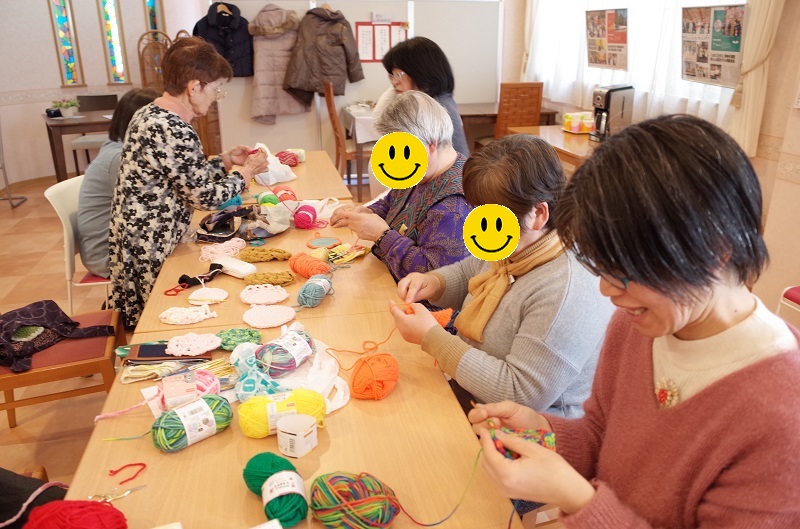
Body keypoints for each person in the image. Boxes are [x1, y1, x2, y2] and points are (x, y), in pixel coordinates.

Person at [468, 115, 800, 527]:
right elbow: (602, 436)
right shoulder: (636, 324)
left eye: (625, 271)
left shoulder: (781, 412)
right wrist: (542, 431)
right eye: (600, 268)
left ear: (714, 251)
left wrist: (577, 498)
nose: (606, 290)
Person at [388, 134, 614, 417]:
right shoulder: (516, 242)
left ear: (538, 213)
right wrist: (434, 282)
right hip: (471, 393)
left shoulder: (567, 289)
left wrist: (432, 338)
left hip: (526, 428)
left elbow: (522, 394)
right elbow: (471, 271)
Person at [108, 37, 268, 328]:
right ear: (194, 87)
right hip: (152, 240)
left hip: (138, 233)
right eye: (215, 89)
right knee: (162, 320)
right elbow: (204, 197)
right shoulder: (172, 127)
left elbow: (182, 175)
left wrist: (225, 161)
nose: (215, 97)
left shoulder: (150, 114)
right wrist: (246, 172)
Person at [331, 90, 472, 281]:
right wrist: (367, 212)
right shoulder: (420, 172)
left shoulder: (454, 207)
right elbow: (392, 202)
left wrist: (382, 235)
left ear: (431, 144)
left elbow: (435, 278)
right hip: (385, 276)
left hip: (410, 296)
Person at [77, 88, 159, 279]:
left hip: (123, 242)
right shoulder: (120, 157)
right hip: (108, 255)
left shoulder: (121, 146)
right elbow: (155, 201)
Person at [373, 37, 468, 158]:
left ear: (419, 72)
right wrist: (400, 84)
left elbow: (460, 159)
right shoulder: (426, 100)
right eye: (392, 75)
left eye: (398, 74)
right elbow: (379, 124)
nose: (394, 82)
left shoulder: (437, 106)